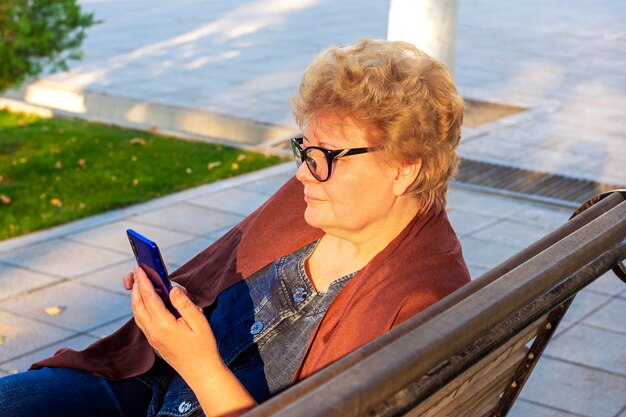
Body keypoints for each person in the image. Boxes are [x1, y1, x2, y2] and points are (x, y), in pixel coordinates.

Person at [0, 38, 470, 417]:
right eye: (304, 151)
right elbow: (215, 274)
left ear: (405, 169)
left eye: (325, 156)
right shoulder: (320, 207)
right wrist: (171, 303)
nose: (305, 173)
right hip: (153, 382)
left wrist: (199, 364)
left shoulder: (413, 302)